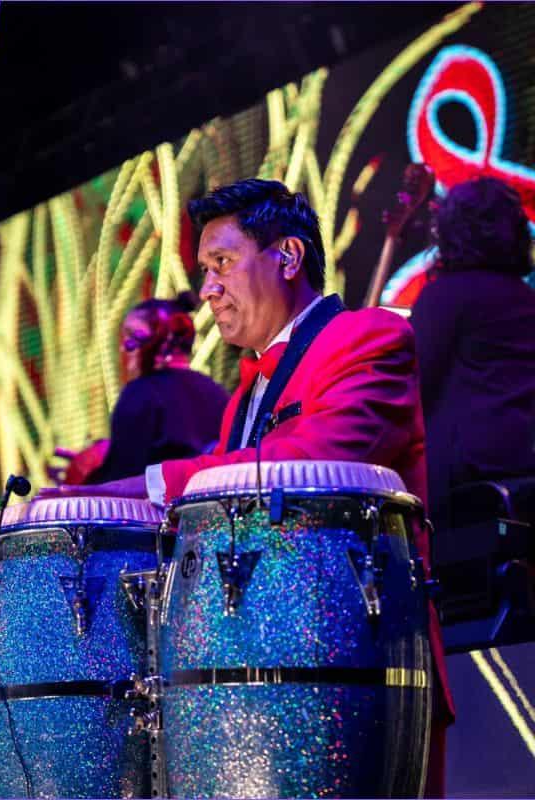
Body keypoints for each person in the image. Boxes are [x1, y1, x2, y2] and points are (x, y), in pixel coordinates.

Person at [50, 178, 453, 796]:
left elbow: (317, 455)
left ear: (288, 257)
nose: (208, 287)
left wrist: (135, 483)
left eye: (222, 263)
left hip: (352, 662)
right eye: (205, 268)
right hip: (253, 663)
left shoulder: (369, 337)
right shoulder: (245, 387)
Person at [410, 176, 535, 535]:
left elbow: (412, 388)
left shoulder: (446, 297)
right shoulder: (526, 299)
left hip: (462, 486)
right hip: (519, 469)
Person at [61, 291, 229, 485]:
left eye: (131, 336)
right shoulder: (217, 393)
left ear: (159, 339)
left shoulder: (141, 393)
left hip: (157, 511)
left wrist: (81, 477)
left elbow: (123, 478)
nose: (123, 348)